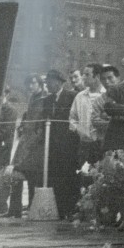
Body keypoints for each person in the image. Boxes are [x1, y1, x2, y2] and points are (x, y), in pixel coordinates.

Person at [43, 69, 80, 219]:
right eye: (46, 83)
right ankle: (57, 208)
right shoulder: (47, 100)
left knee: (68, 177)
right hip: (52, 147)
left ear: (59, 82)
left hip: (68, 145)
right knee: (55, 177)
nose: (47, 85)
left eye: (49, 82)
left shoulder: (72, 96)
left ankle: (69, 209)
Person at [10, 74, 48, 218]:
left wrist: (35, 139)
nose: (30, 86)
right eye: (29, 84)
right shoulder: (32, 99)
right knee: (16, 173)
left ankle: (32, 208)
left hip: (35, 143)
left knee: (32, 175)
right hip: (25, 140)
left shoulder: (44, 99)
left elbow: (41, 123)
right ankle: (14, 209)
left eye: (33, 83)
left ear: (40, 84)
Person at [69, 63, 107, 168]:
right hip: (84, 145)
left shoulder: (107, 95)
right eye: (83, 74)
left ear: (97, 76)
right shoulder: (80, 96)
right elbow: (72, 118)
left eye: (87, 74)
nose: (83, 77)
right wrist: (78, 129)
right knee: (83, 175)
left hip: (103, 145)